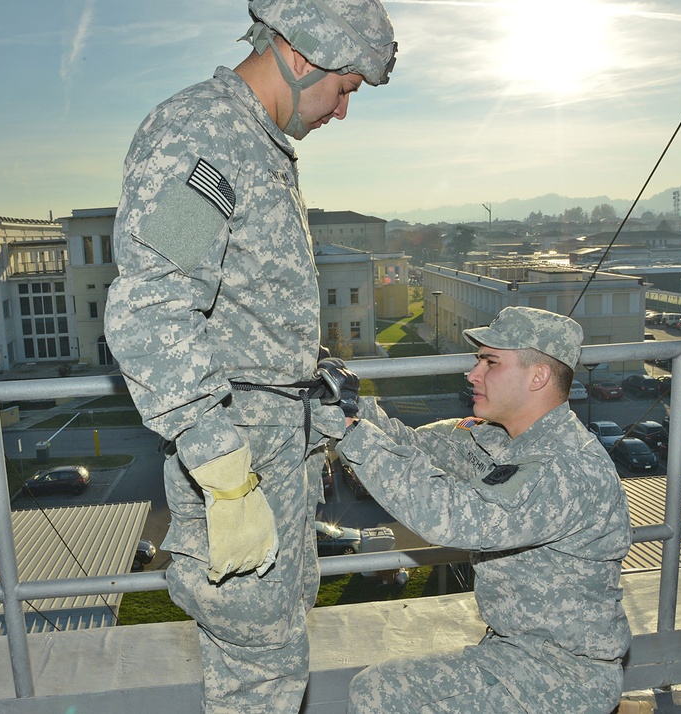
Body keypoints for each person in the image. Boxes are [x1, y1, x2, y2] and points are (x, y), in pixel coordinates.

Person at [103, 1, 396, 712]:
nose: (343, 110)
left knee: (278, 660)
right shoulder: (204, 136)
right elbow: (151, 304)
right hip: (238, 468)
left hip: (277, 464)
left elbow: (243, 309)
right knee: (256, 679)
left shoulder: (253, 143)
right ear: (301, 57)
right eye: (347, 88)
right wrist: (224, 474)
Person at [332, 306, 632, 714]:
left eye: (490, 362)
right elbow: (412, 446)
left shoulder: (567, 469)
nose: (473, 374)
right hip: (512, 654)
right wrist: (350, 406)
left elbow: (453, 518)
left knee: (379, 698)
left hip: (564, 676)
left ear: (538, 377)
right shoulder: (495, 436)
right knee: (372, 692)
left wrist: (350, 435)